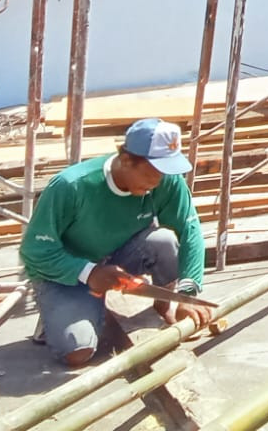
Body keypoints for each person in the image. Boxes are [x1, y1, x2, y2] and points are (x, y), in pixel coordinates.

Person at [20, 117, 212, 367]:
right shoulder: (71, 186)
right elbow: (35, 250)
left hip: (120, 255)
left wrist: (188, 294)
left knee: (163, 240)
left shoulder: (165, 180)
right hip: (69, 269)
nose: (158, 181)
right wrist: (89, 273)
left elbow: (189, 230)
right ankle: (60, 311)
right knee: (77, 353)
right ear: (125, 159)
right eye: (152, 172)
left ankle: (166, 304)